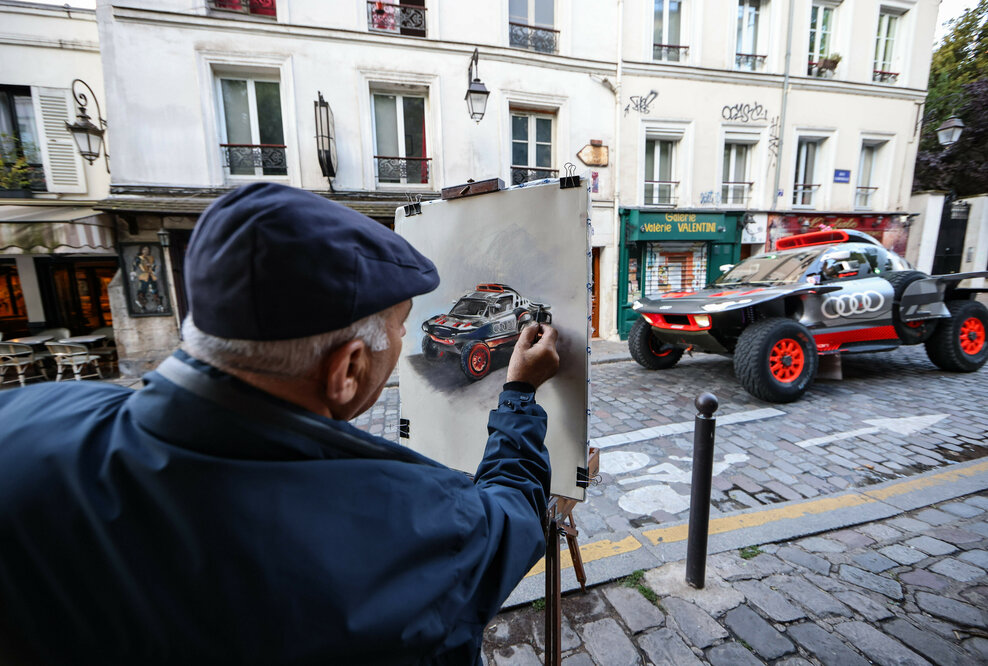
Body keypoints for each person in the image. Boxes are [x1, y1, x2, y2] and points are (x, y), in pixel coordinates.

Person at [0, 182, 560, 665]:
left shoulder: (19, 429)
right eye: (399, 327)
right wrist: (518, 392)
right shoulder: (407, 520)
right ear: (347, 369)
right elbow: (513, 514)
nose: (404, 343)